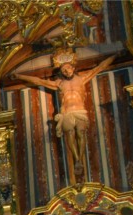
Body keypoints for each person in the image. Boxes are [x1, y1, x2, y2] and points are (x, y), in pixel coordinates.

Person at [15, 48, 116, 183]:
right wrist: (20, 76)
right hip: (67, 112)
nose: (66, 71)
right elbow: (39, 81)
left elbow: (99, 67)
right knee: (70, 135)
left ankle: (79, 159)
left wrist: (114, 56)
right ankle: (77, 159)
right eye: (63, 70)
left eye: (68, 68)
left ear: (73, 68)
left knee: (81, 133)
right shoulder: (59, 83)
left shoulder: (82, 79)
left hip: (80, 111)